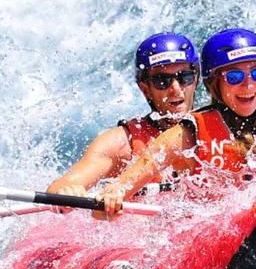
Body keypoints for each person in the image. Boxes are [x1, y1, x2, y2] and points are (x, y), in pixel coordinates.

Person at [94, 28, 256, 216]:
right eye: (234, 77)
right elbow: (115, 193)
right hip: (212, 247)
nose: (249, 85)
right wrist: (112, 197)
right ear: (214, 83)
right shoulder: (184, 136)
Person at [46, 32, 200, 198]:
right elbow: (61, 187)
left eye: (185, 77)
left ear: (196, 79)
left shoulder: (216, 130)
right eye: (162, 81)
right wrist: (68, 191)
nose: (176, 88)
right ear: (145, 89)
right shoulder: (122, 144)